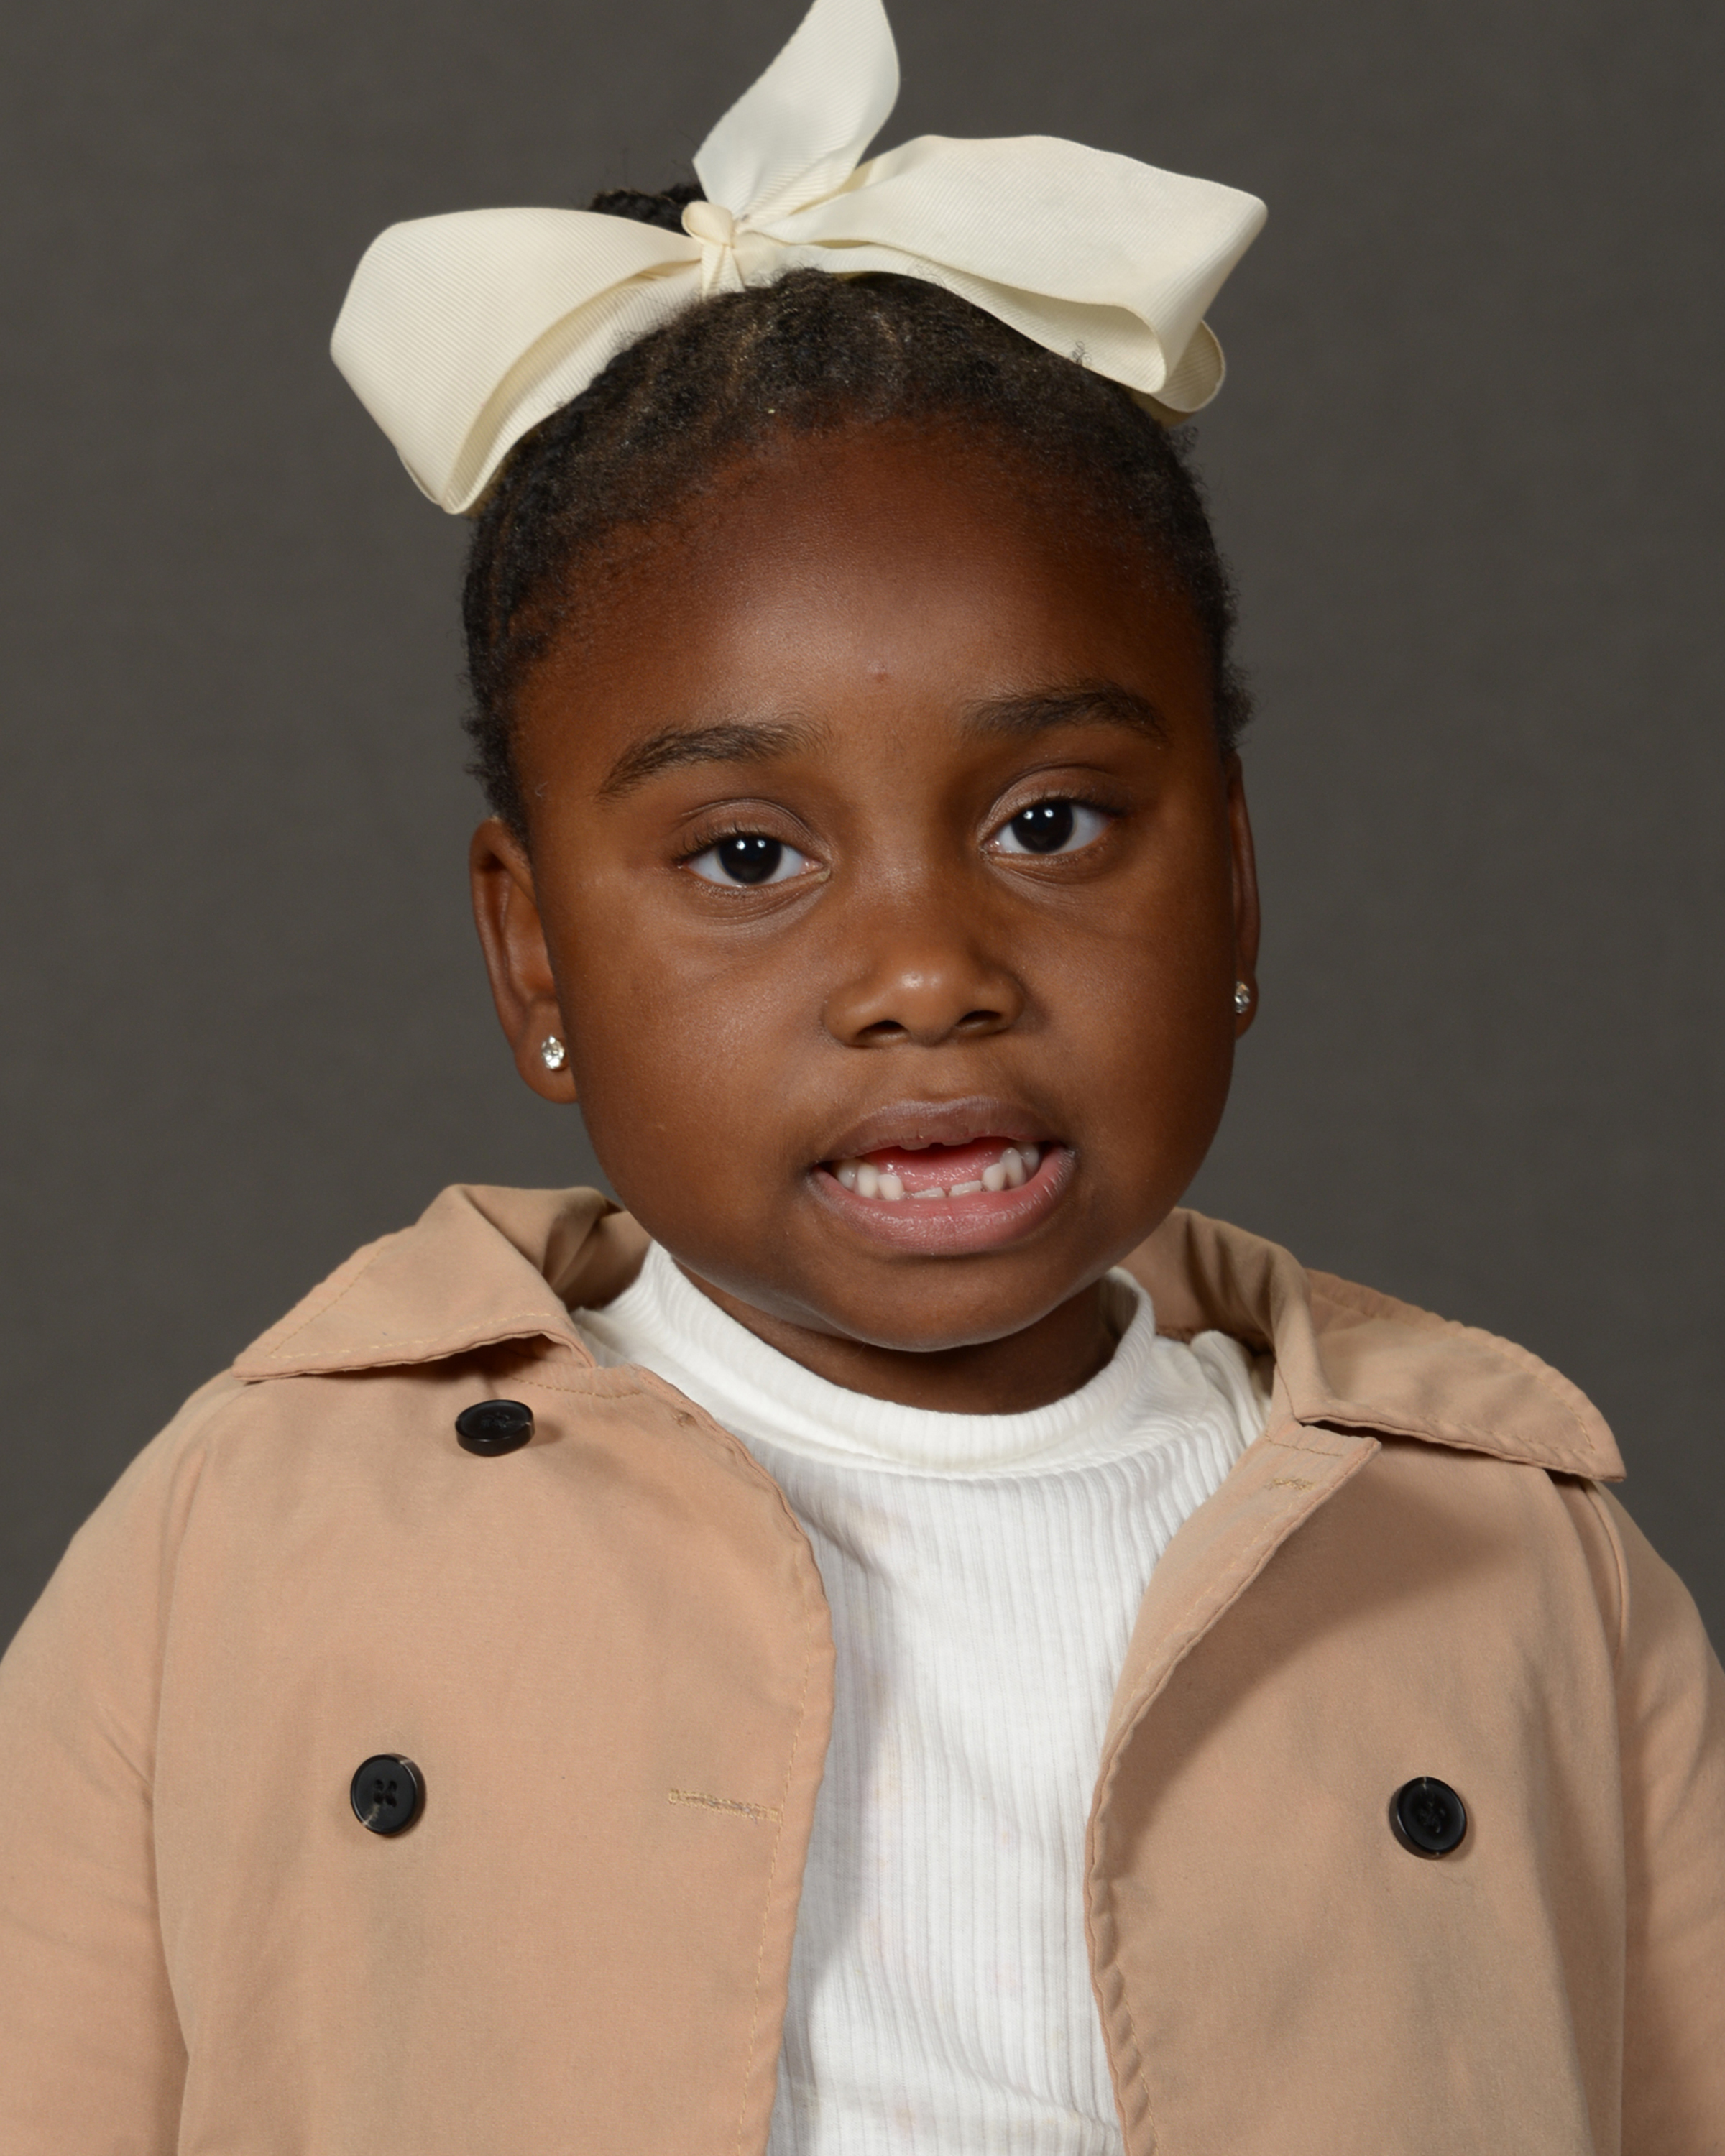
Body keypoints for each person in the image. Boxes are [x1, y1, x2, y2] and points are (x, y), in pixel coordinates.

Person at [1, 0, 1719, 2148]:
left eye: (1052, 824)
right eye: (749, 857)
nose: (926, 975)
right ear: (533, 956)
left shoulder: (1507, 1561)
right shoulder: (248, 1534)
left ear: (1239, 889)